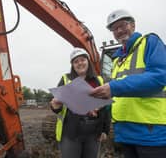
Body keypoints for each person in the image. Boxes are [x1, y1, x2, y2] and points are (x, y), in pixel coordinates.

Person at [90, 9, 166, 158]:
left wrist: (113, 87)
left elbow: (159, 77)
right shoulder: (117, 60)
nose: (119, 31)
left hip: (150, 133)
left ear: (133, 25)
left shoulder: (150, 42)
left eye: (122, 25)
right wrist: (102, 105)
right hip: (125, 133)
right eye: (114, 28)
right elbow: (119, 96)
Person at [50, 48, 110, 158]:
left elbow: (106, 108)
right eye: (76, 61)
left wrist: (105, 130)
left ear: (88, 61)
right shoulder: (65, 79)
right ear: (72, 65)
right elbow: (56, 106)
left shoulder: (99, 81)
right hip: (71, 133)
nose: (79, 63)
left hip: (93, 134)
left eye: (82, 60)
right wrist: (55, 106)